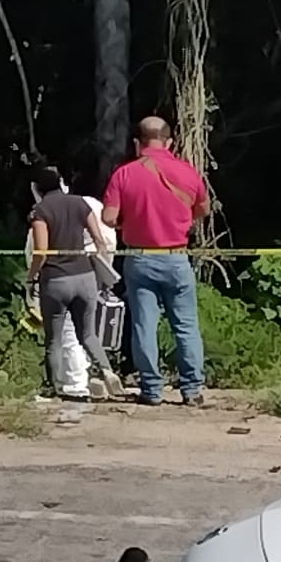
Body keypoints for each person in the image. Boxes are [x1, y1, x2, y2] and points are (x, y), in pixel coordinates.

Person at [102, 116, 211, 407]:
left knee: (144, 326)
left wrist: (131, 221)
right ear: (170, 142)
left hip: (140, 258)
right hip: (177, 258)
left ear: (138, 143)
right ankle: (192, 389)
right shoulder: (187, 172)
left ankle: (151, 390)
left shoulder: (123, 175)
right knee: (186, 325)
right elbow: (203, 209)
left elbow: (109, 218)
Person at [26, 166, 122, 402]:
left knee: (54, 340)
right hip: (85, 277)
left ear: (37, 189)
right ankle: (108, 371)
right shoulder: (81, 203)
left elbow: (41, 251)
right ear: (60, 183)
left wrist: (31, 278)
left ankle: (53, 387)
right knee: (88, 334)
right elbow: (99, 239)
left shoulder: (40, 211)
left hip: (56, 281)